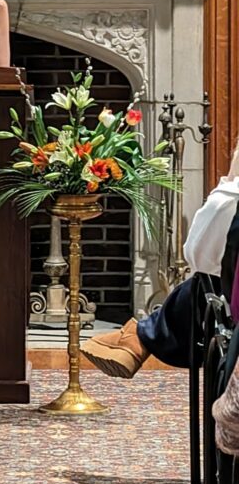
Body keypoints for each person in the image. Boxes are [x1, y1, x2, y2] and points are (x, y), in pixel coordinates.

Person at [81, 138, 239, 378]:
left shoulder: (232, 200)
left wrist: (230, 181)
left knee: (202, 284)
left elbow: (196, 256)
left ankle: (137, 337)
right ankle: (138, 336)